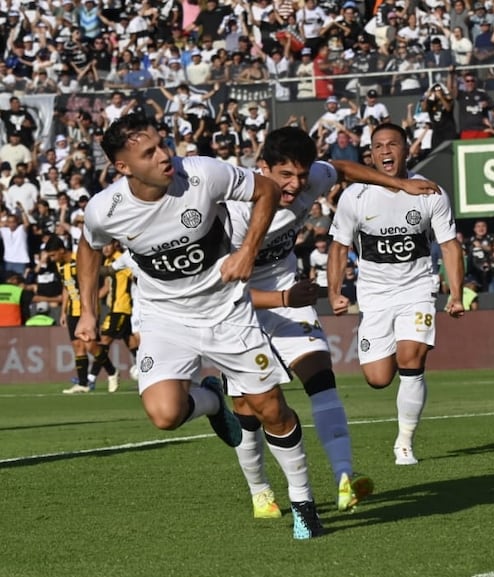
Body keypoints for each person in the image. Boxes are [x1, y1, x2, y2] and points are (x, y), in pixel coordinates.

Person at [74, 114, 323, 540]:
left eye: (162, 143)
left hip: (227, 311)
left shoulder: (202, 173)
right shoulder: (105, 208)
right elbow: (89, 248)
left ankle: (303, 502)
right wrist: (88, 312)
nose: (164, 155)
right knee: (165, 414)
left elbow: (265, 190)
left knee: (271, 410)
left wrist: (247, 251)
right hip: (164, 317)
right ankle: (210, 398)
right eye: (148, 152)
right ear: (123, 167)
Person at [225, 126, 438, 515]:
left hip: (289, 295)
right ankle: (259, 490)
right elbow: (220, 290)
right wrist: (282, 297)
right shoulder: (233, 213)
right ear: (262, 168)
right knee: (248, 407)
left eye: (302, 175)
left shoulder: (310, 180)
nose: (295, 185)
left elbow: (339, 169)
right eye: (284, 176)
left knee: (321, 377)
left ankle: (345, 477)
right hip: (237, 308)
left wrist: (398, 184)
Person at [327, 123, 465, 466]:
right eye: (378, 146)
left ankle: (404, 443)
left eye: (392, 144)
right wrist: (334, 293)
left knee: (412, 358)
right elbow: (339, 247)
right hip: (374, 296)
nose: (385, 151)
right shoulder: (355, 196)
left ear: (406, 149)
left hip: (417, 289)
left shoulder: (431, 192)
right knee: (378, 378)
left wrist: (456, 293)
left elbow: (449, 244)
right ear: (370, 154)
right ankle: (401, 426)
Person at [46, 236, 106, 394]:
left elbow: (92, 282)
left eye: (53, 255)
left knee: (90, 346)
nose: (52, 259)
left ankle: (112, 371)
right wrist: (63, 311)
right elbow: (66, 287)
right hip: (72, 310)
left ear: (61, 250)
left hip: (86, 310)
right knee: (77, 346)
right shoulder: (60, 266)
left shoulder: (79, 260)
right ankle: (83, 383)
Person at [87, 239, 137, 392]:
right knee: (132, 344)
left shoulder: (121, 259)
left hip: (121, 308)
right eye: (103, 246)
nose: (105, 249)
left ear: (115, 244)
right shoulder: (109, 261)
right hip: (115, 308)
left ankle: (92, 377)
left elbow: (135, 276)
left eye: (107, 245)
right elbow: (107, 287)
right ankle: (148, 371)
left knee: (104, 341)